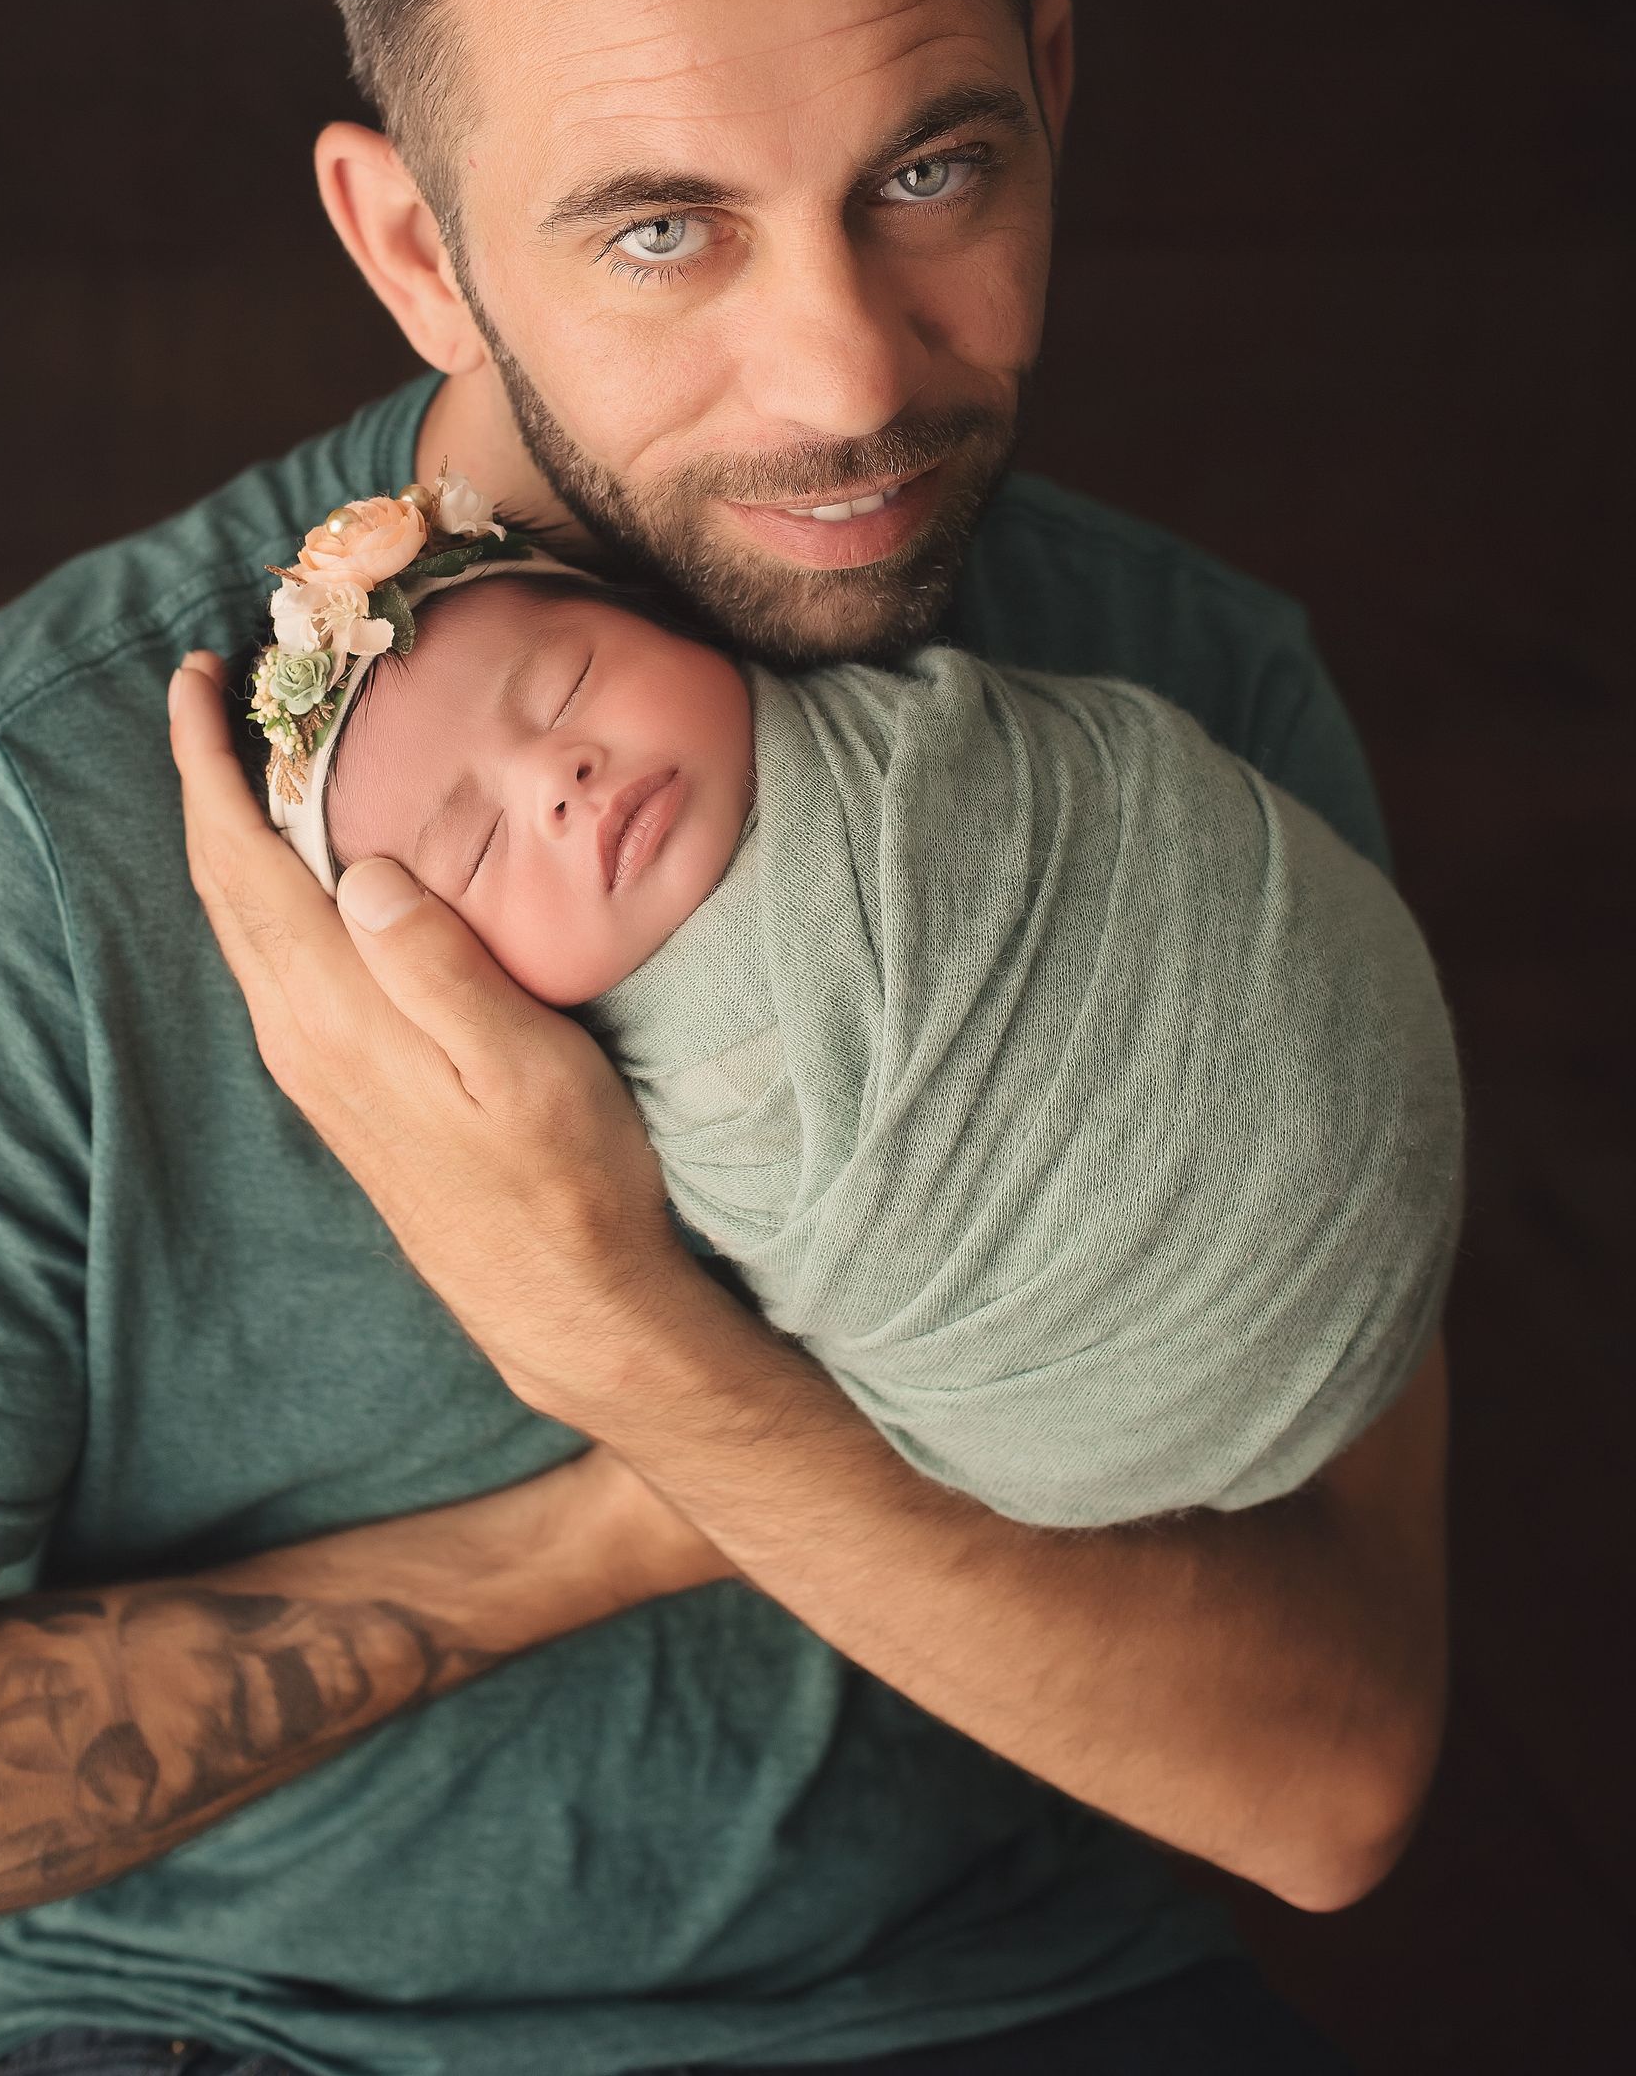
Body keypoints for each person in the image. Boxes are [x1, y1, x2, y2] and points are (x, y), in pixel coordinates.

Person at [0, 0, 1446, 2076]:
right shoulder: (37, 811)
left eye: (931, 171)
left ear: (1050, 91)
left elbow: (1328, 1776)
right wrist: (618, 1492)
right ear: (410, 244)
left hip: (1018, 2008)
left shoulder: (1181, 693)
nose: (845, 370)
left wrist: (625, 1343)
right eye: (663, 228)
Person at [270, 509, 1459, 1531]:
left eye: (568, 682)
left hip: (1370, 1088)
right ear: (452, 970)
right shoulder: (674, 1110)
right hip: (1125, 1388)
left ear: (668, 622)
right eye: (477, 847)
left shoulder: (911, 731)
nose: (559, 775)